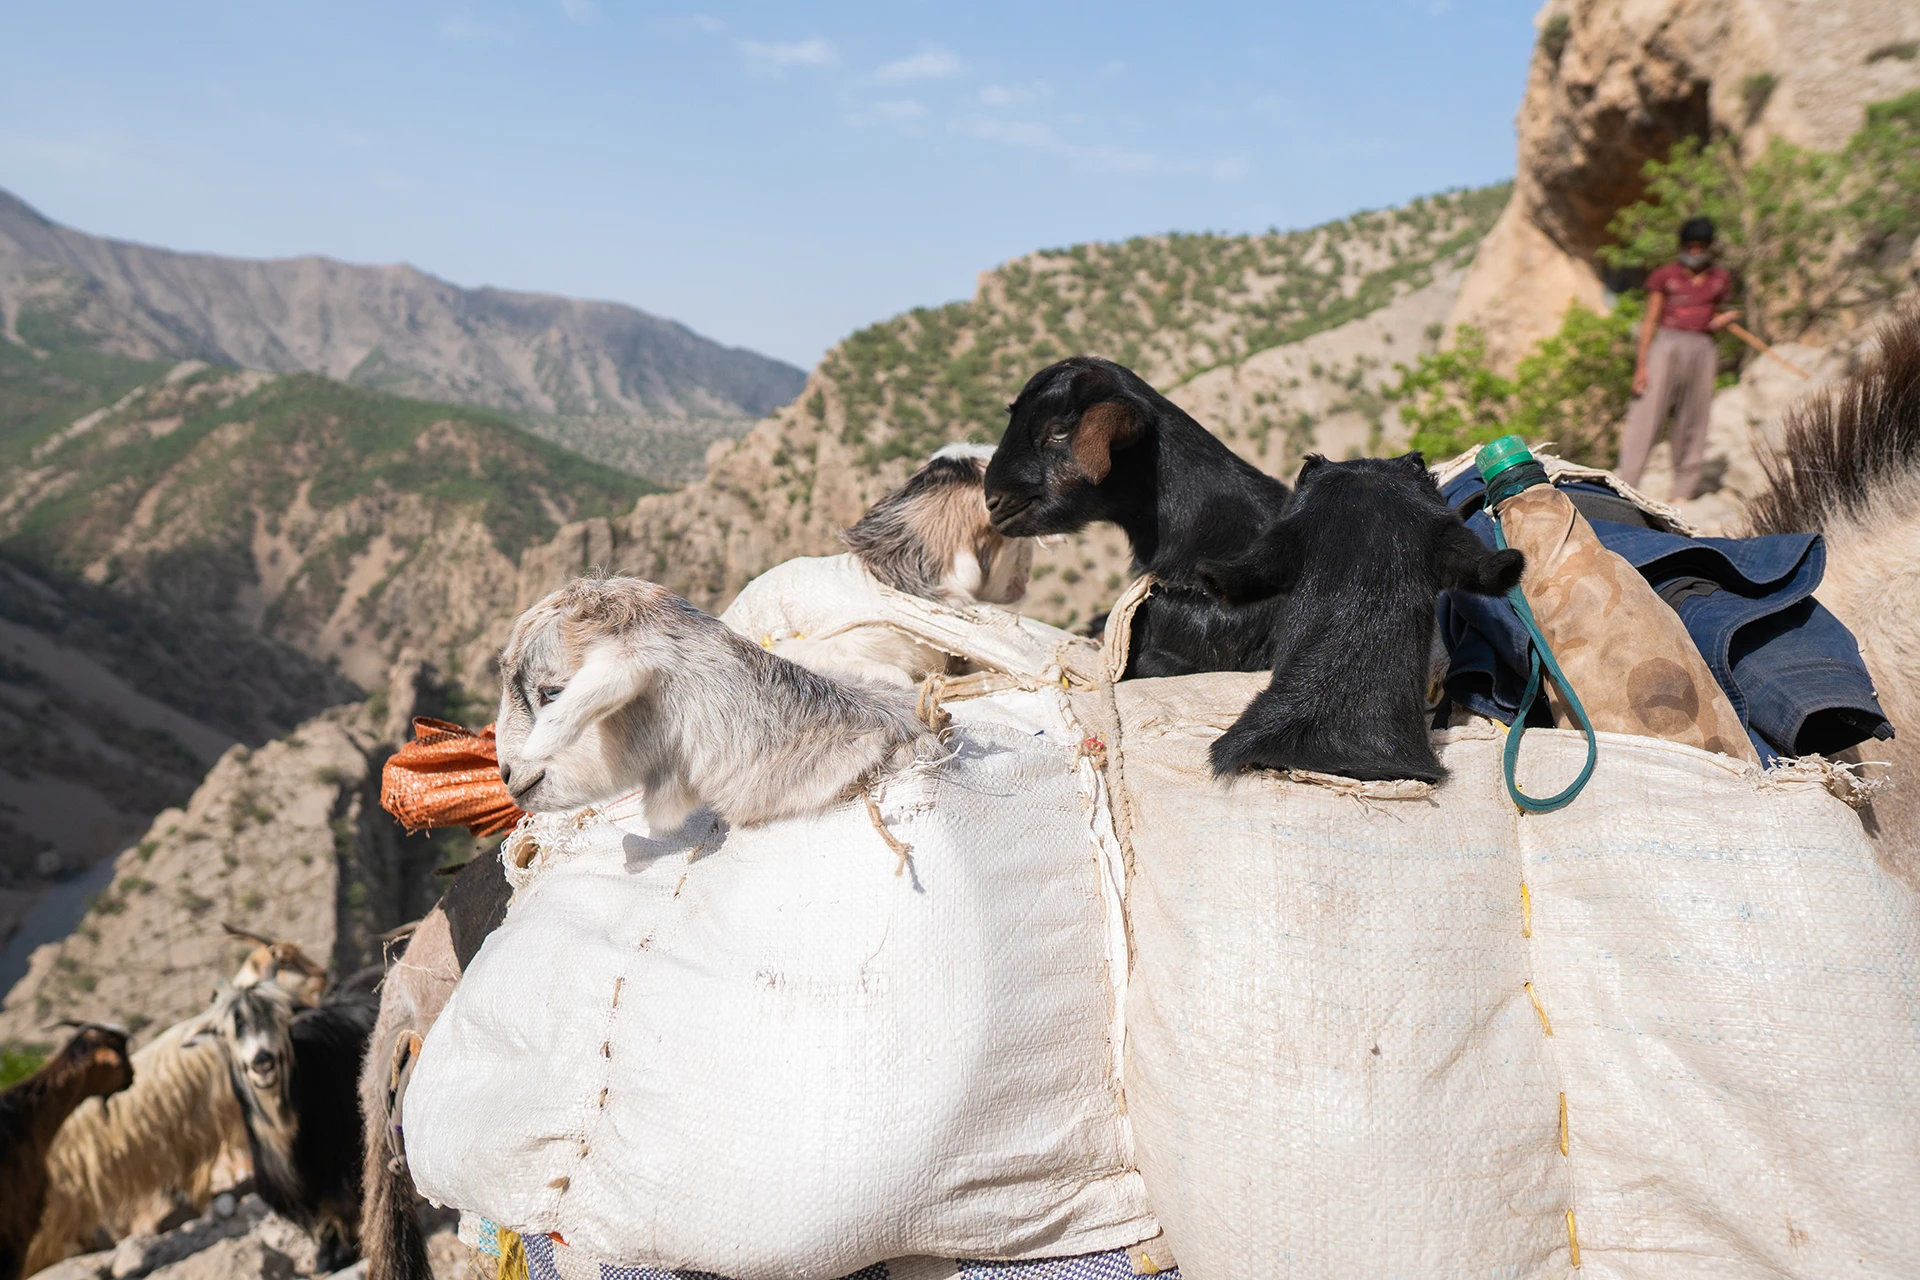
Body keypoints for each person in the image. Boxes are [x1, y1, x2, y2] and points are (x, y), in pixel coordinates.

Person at [1616, 216, 1741, 500]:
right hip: (1666, 344)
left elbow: (1710, 318)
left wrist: (1720, 323)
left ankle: (1683, 491)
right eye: (1690, 246)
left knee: (1694, 417)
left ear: (1709, 247)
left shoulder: (1719, 279)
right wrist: (1641, 365)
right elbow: (1650, 320)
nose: (1695, 252)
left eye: (1701, 247)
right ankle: (1628, 484)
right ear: (1682, 246)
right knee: (1646, 414)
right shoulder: (1665, 276)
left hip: (1702, 348)